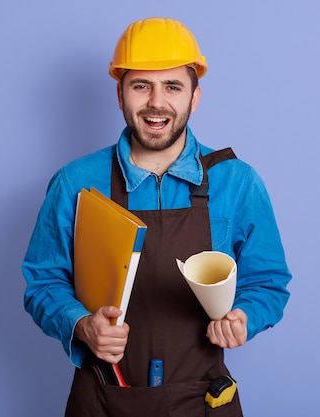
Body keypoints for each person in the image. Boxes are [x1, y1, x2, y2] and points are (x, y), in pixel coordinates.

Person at [22, 17, 291, 417]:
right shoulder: (75, 182)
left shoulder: (236, 182)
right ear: (120, 94)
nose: (156, 103)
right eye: (141, 86)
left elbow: (268, 281)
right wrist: (80, 325)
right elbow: (43, 281)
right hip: (102, 399)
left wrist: (244, 318)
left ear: (194, 98)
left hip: (203, 401)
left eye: (173, 87)